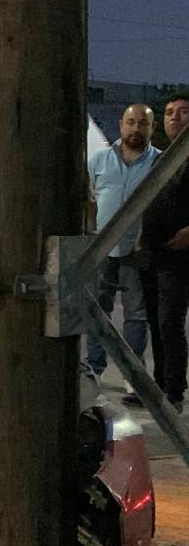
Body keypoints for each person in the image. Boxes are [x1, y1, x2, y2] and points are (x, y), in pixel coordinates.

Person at [86, 104, 159, 401]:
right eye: (131, 122)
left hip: (137, 249)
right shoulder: (99, 161)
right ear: (120, 125)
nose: (136, 128)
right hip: (101, 248)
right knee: (96, 311)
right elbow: (87, 199)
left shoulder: (159, 164)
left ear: (151, 128)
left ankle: (132, 375)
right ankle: (94, 368)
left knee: (136, 316)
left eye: (143, 123)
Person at [138, 93, 189, 409]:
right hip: (153, 253)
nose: (175, 118)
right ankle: (159, 384)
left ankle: (174, 391)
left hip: (180, 256)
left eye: (183, 112)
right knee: (156, 321)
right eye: (169, 112)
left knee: (170, 321)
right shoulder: (160, 158)